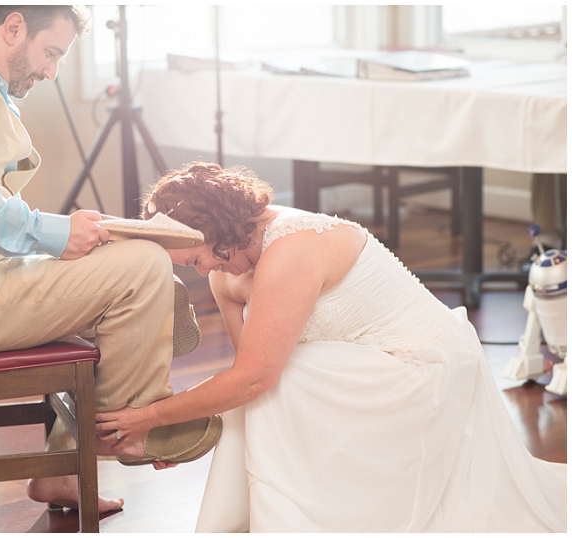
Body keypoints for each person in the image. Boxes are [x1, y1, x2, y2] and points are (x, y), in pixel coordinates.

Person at [0, 6, 218, 514]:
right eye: (50, 53)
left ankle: (67, 468)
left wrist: (73, 234)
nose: (52, 72)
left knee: (125, 258)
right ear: (13, 28)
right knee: (142, 271)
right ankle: (127, 425)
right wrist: (53, 233)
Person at [96, 161, 567, 532]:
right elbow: (246, 379)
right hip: (365, 368)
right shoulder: (224, 272)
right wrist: (183, 435)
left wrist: (153, 416)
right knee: (278, 381)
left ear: (215, 232)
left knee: (285, 378)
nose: (199, 270)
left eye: (195, 258)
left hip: (424, 369)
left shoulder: (291, 250)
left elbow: (255, 379)